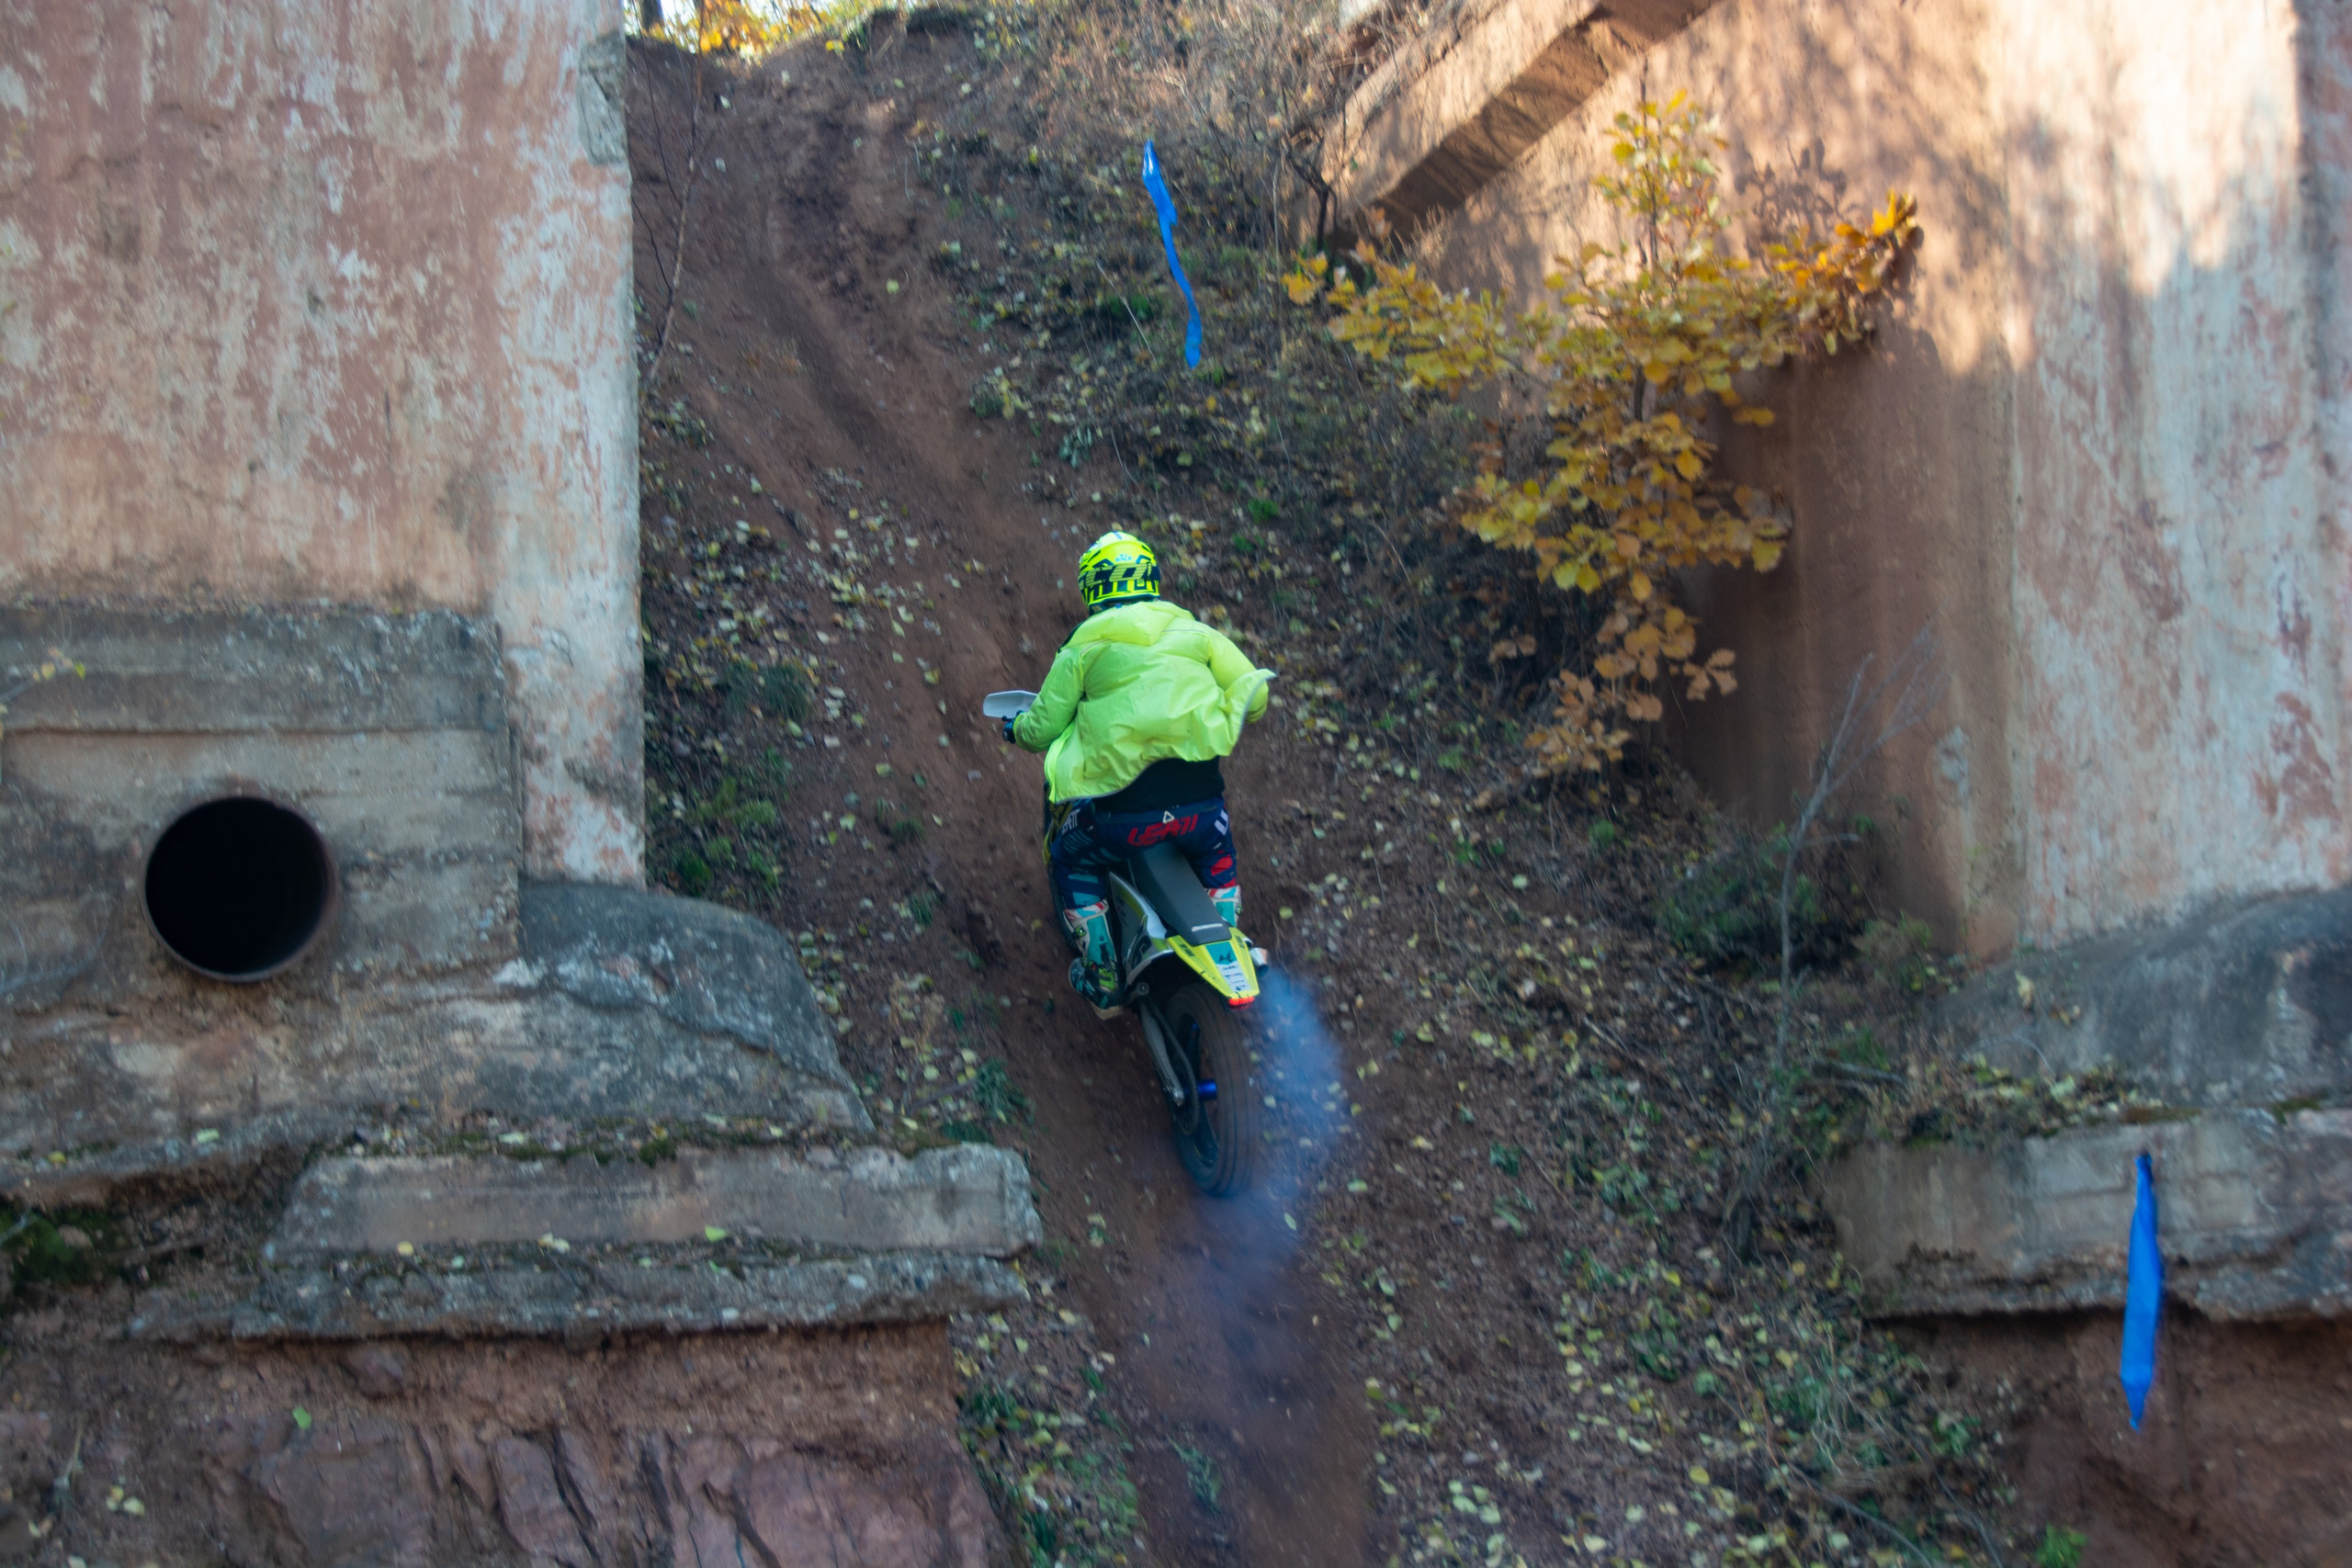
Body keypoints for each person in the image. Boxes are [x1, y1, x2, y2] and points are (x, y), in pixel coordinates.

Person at [1005, 530, 1272, 1014]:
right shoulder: (1196, 633)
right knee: (1219, 854)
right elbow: (1257, 700)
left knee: (1071, 857)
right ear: (1150, 576)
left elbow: (1041, 729)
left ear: (1093, 587)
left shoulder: (1083, 645)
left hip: (1124, 819)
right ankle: (1228, 935)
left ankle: (1103, 974)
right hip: (1202, 811)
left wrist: (1015, 729)